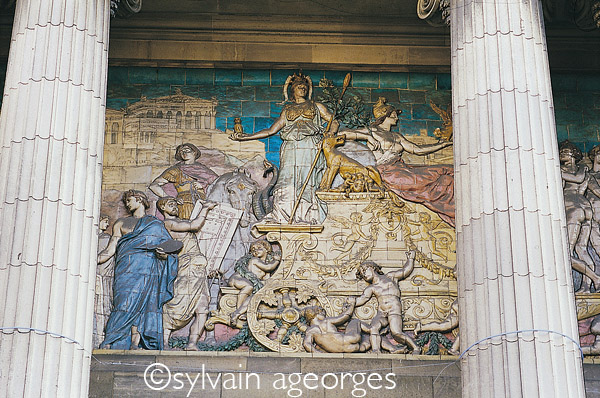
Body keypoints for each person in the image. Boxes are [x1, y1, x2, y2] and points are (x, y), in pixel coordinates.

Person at [229, 72, 339, 224]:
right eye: (299, 87)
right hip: (290, 148)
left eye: (305, 87)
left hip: (310, 146)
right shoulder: (287, 111)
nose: (303, 89)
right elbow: (270, 131)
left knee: (307, 181)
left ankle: (308, 215)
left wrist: (329, 135)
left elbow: (334, 121)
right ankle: (285, 214)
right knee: (288, 181)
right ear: (292, 90)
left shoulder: (316, 106)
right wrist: (246, 137)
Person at [342, 97, 454, 226]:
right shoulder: (372, 131)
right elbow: (343, 133)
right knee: (420, 179)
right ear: (385, 116)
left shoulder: (397, 136)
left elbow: (417, 150)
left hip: (402, 168)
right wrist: (367, 137)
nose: (397, 118)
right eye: (394, 115)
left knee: (446, 174)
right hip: (387, 173)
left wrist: (442, 145)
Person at [99, 190, 178, 350]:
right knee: (123, 303)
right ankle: (113, 339)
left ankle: (135, 342)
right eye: (126, 201)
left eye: (130, 200)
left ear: (140, 200)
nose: (127, 204)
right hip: (125, 269)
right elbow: (110, 250)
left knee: (145, 305)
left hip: (148, 268)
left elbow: (170, 251)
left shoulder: (155, 224)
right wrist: (92, 260)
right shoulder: (121, 223)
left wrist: (163, 256)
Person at [156, 197, 217, 350]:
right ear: (163, 208)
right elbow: (194, 225)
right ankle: (163, 342)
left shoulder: (179, 223)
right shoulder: (168, 224)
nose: (175, 206)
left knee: (202, 307)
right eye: (171, 204)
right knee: (174, 304)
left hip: (198, 270)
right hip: (185, 268)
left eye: (176, 203)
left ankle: (192, 343)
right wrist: (206, 208)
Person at [355, 251, 421, 354]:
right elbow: (362, 299)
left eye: (364, 271)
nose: (364, 274)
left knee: (396, 333)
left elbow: (405, 271)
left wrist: (411, 259)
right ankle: (376, 351)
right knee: (373, 328)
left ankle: (416, 347)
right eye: (362, 274)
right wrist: (350, 303)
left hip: (394, 309)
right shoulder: (371, 288)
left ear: (372, 268)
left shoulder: (390, 277)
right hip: (382, 312)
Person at [559, 141, 600, 291]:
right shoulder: (584, 171)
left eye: (565, 151)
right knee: (582, 249)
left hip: (572, 209)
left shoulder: (559, 170)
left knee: (566, 254)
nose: (562, 153)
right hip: (586, 209)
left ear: (573, 155)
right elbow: (597, 191)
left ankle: (595, 277)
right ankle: (586, 286)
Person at [149, 143, 218, 219]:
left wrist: (203, 184)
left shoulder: (203, 169)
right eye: (181, 151)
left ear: (194, 152)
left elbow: (218, 183)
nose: (184, 153)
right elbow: (154, 186)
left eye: (187, 150)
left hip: (203, 202)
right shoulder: (176, 170)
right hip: (184, 203)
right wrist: (170, 198)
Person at [228, 240, 281, 325]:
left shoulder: (264, 262)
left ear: (267, 250)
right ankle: (238, 310)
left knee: (253, 297)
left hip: (248, 282)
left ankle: (237, 313)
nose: (256, 251)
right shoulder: (255, 260)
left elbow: (266, 280)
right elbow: (268, 267)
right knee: (249, 286)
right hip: (236, 278)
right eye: (253, 250)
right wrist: (277, 261)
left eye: (259, 248)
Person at [303, 299, 371, 353]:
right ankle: (372, 330)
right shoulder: (326, 321)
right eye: (322, 312)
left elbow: (307, 344)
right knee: (355, 322)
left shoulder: (311, 330)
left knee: (361, 345)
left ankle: (372, 342)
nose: (324, 315)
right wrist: (352, 303)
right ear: (317, 314)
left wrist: (318, 354)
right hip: (350, 339)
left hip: (340, 349)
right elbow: (344, 317)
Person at [94, 215, 114, 347]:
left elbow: (106, 256)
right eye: (104, 221)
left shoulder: (105, 239)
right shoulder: (97, 238)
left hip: (103, 278)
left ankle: (101, 338)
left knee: (104, 307)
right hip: (98, 278)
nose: (107, 225)